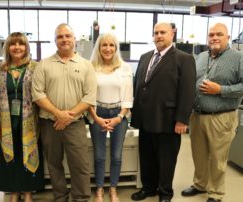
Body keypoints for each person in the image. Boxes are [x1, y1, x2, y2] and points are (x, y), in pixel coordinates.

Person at [130, 22, 196, 202]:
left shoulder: (184, 59)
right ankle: (148, 188)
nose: (159, 36)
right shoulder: (145, 57)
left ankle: (165, 193)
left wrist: (182, 119)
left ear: (172, 34)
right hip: (144, 119)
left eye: (163, 32)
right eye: (156, 33)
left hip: (168, 119)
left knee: (167, 160)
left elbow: (188, 91)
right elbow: (139, 86)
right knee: (147, 157)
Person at [32, 23, 97, 202]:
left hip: (75, 124)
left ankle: (81, 198)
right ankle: (60, 197)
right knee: (54, 164)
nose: (64, 39)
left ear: (74, 39)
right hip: (49, 123)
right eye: (60, 37)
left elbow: (90, 96)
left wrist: (67, 116)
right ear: (55, 41)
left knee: (80, 165)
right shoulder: (43, 65)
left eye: (68, 36)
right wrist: (57, 114)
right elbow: (37, 94)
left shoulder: (86, 66)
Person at [181, 23, 243, 202]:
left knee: (218, 159)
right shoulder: (200, 57)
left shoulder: (238, 58)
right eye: (211, 35)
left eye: (219, 34)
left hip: (221, 117)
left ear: (228, 37)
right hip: (198, 116)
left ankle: (216, 193)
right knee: (198, 155)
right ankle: (200, 184)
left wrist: (221, 90)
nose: (214, 38)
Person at [0, 32, 44, 202]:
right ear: (7, 48)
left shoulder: (35, 67)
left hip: (30, 122)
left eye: (21, 44)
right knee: (9, 157)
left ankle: (27, 192)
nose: (17, 47)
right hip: (6, 122)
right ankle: (13, 191)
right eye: (13, 44)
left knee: (27, 153)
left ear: (26, 47)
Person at [88, 32, 133, 202]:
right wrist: (96, 117)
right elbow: (87, 96)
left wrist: (119, 117)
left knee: (116, 155)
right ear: (99, 48)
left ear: (116, 48)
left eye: (111, 45)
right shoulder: (91, 67)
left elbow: (128, 96)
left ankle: (113, 188)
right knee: (99, 155)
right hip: (96, 113)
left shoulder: (125, 67)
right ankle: (99, 189)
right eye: (104, 45)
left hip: (119, 114)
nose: (108, 49)